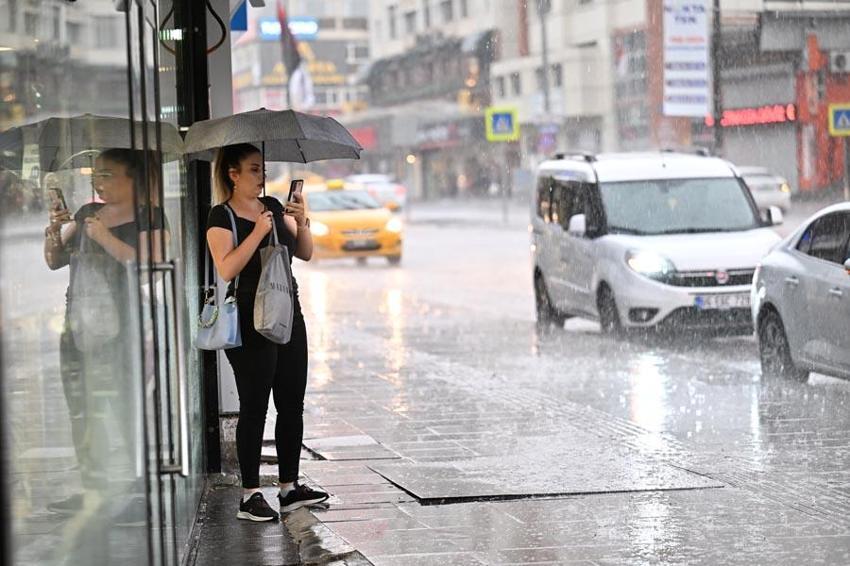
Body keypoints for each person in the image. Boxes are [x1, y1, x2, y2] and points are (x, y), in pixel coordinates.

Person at [42, 148, 167, 530]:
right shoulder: (85, 213)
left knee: (125, 406)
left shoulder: (150, 217)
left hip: (125, 324)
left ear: (133, 179)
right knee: (81, 405)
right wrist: (54, 233)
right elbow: (54, 261)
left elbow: (151, 269)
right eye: (96, 174)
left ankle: (135, 491)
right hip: (78, 324)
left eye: (108, 174)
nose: (98, 181)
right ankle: (93, 486)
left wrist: (106, 236)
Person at [206, 143, 329, 523]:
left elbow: (304, 253)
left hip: (288, 313)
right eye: (254, 169)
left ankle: (289, 488)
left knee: (292, 402)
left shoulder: (274, 207)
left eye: (262, 170)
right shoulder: (220, 216)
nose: (262, 176)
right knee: (255, 405)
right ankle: (249, 494)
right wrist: (257, 232)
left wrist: (301, 220)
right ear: (233, 174)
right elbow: (226, 269)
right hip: (248, 317)